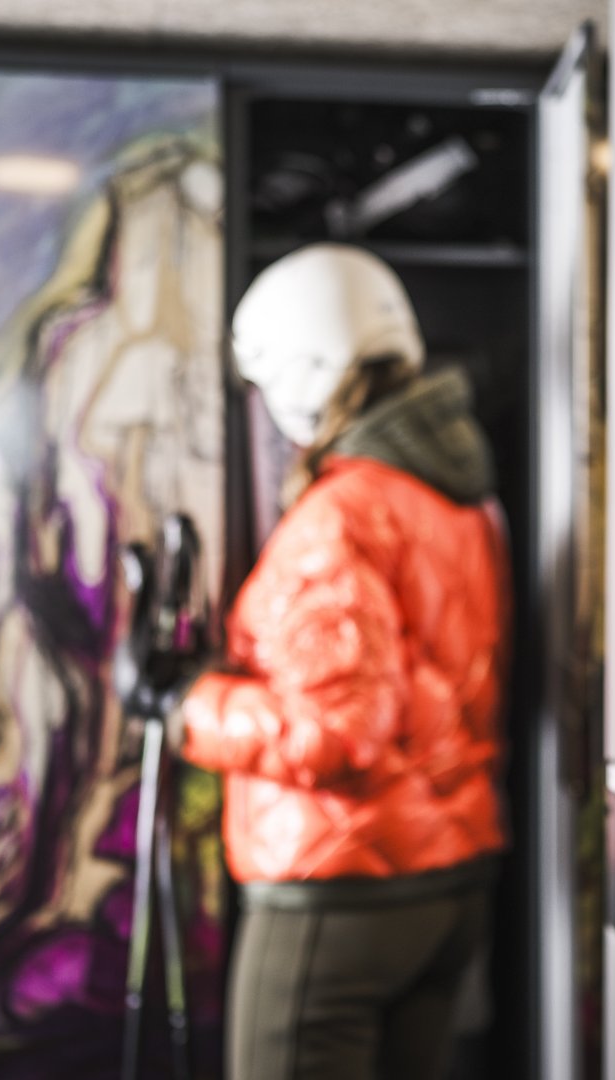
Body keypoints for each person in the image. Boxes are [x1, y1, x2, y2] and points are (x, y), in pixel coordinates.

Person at [169, 243, 508, 1079]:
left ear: (300, 373)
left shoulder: (341, 516)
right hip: (448, 882)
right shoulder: (461, 499)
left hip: (339, 890)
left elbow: (337, 731)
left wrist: (191, 707)